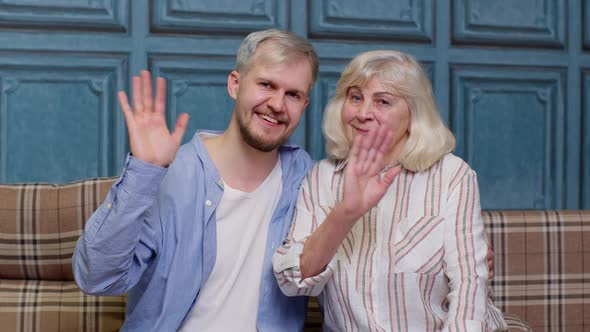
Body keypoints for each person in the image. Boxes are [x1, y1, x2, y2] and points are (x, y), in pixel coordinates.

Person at [73, 29, 318, 331]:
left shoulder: (307, 179)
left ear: (305, 105)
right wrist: (143, 172)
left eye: (293, 94)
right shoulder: (174, 174)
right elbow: (97, 278)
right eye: (266, 84)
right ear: (235, 84)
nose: (278, 105)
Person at [272, 50, 508, 331]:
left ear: (413, 114)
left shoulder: (451, 175)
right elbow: (291, 280)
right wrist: (345, 212)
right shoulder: (319, 177)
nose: (363, 113)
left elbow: (470, 283)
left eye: (383, 101)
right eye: (355, 97)